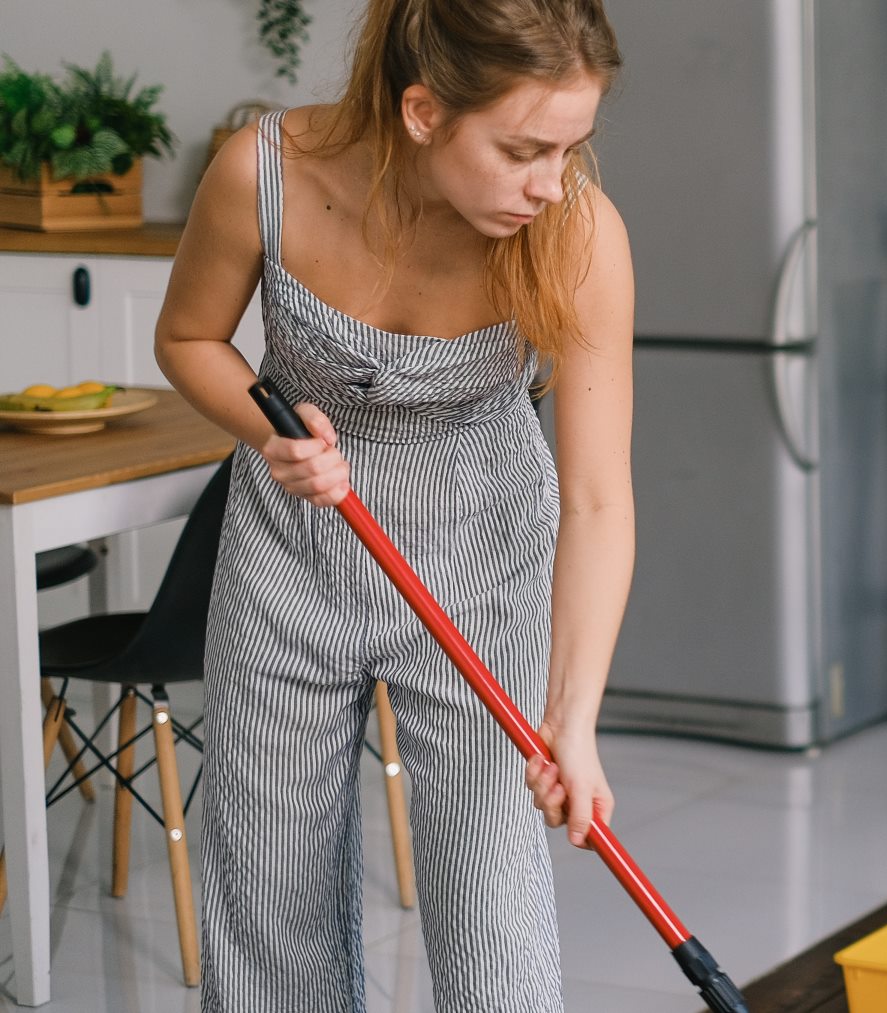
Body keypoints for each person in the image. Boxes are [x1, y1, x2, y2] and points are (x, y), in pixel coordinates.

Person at [152, 0, 632, 1007]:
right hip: (291, 553)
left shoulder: (577, 229)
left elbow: (595, 499)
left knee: (493, 906)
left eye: (571, 148)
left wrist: (572, 719)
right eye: (521, 149)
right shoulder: (265, 172)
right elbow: (189, 338)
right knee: (267, 897)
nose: (552, 184)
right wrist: (273, 433)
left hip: (485, 557)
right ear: (422, 111)